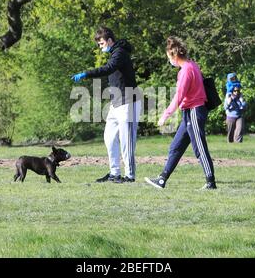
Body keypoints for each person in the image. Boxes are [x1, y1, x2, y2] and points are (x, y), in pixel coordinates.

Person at [71, 26, 141, 183]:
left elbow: (108, 68)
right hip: (116, 103)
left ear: (110, 40)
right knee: (109, 137)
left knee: (126, 140)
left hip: (128, 101)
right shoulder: (114, 53)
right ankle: (114, 173)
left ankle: (129, 176)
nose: (100, 46)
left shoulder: (120, 53)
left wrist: (86, 73)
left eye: (101, 43)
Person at [145, 36, 217, 190]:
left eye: (169, 57)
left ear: (174, 56)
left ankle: (211, 183)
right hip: (188, 113)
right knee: (175, 147)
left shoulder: (186, 70)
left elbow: (179, 96)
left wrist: (165, 115)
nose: (169, 61)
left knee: (199, 148)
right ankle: (162, 179)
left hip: (194, 112)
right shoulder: (192, 65)